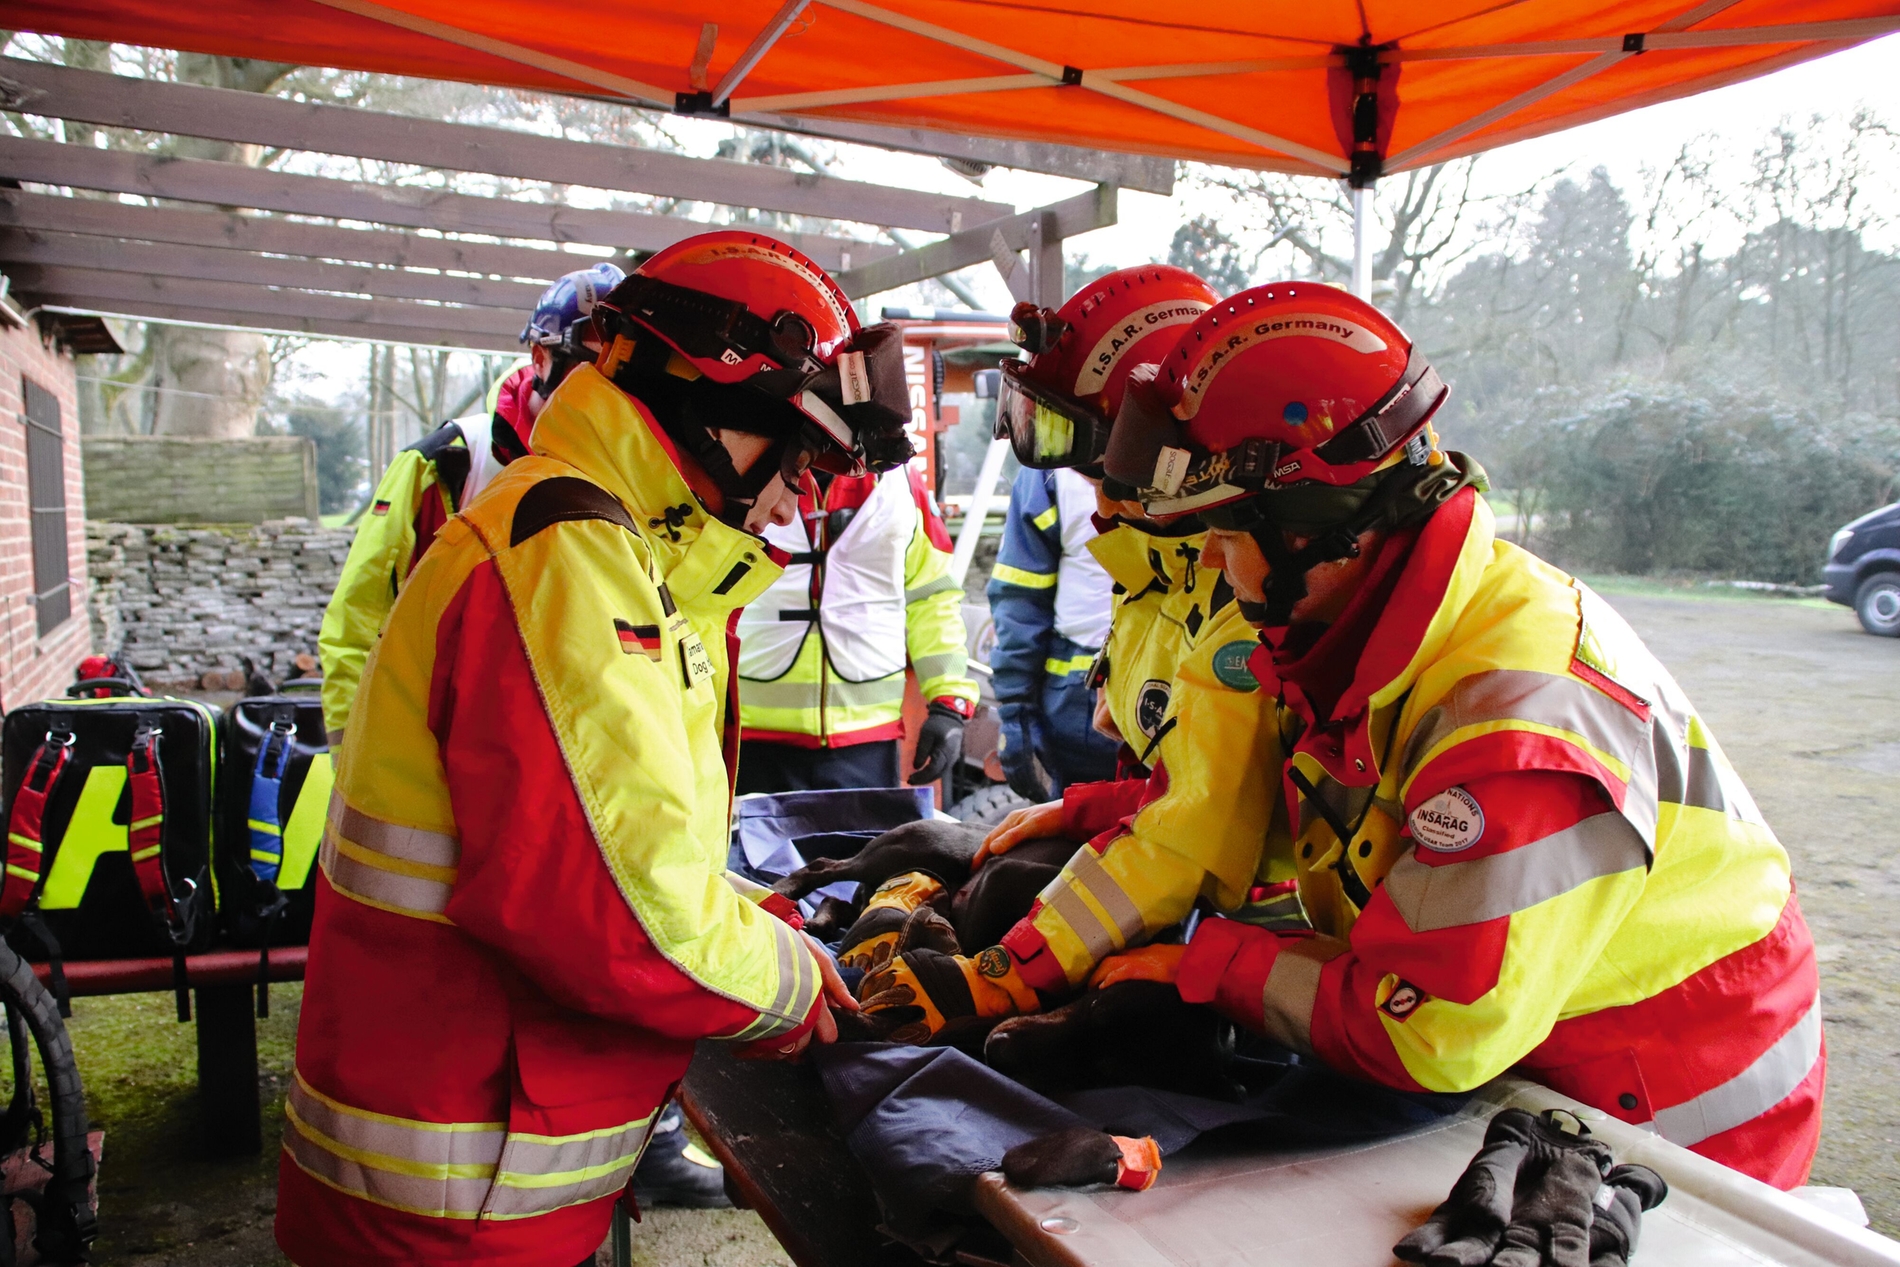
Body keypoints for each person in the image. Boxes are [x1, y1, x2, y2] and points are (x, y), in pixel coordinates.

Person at [862, 282, 1824, 1190]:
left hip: (1671, 1116)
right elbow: (1272, 815)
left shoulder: (1516, 719)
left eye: (1232, 539)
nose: (1220, 575)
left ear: (1327, 528)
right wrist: (1094, 812)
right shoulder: (1371, 632)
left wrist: (1211, 964)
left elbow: (1431, 1028)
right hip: (1527, 1044)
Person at [278, 230, 916, 1267]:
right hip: (456, 1188)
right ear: (716, 412)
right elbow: (613, 915)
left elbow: (619, 838)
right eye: (800, 455)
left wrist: (759, 922)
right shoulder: (567, 563)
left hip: (478, 1149)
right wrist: (798, 986)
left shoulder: (605, 547)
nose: (804, 496)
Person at [318, 261, 623, 748]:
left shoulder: (634, 480)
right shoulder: (445, 465)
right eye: (589, 376)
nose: (605, 401)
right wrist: (350, 747)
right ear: (540, 358)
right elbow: (360, 619)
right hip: (428, 747)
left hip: (563, 758)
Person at [732, 443, 978, 794]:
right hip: (751, 737)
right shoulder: (745, 463)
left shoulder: (903, 482)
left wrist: (949, 701)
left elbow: (931, 597)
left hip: (866, 742)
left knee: (859, 850)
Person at [986, 463, 1118, 800]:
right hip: (1077, 730)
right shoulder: (1051, 467)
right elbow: (1022, 596)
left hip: (1174, 719)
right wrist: (1017, 711)